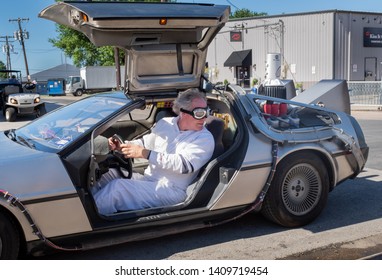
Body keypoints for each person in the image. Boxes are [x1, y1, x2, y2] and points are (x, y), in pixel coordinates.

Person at [93, 88, 215, 215]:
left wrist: (145, 153)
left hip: (172, 190)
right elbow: (146, 143)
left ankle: (85, 223)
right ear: (183, 112)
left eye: (207, 112)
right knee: (104, 174)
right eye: (199, 113)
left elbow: (184, 165)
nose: (205, 118)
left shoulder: (204, 138)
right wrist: (122, 146)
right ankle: (92, 208)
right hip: (148, 180)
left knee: (117, 188)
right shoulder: (165, 123)